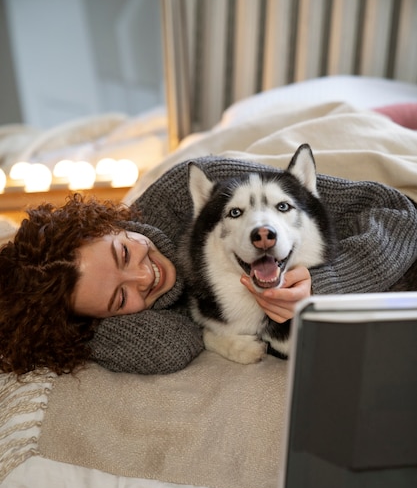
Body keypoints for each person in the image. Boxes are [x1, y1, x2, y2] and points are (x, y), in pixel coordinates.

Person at [1, 155, 416, 377]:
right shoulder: (124, 316)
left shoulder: (202, 187)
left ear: (109, 224)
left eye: (124, 253)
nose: (147, 277)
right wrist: (78, 332)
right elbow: (166, 350)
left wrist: (323, 286)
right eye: (118, 297)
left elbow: (397, 212)